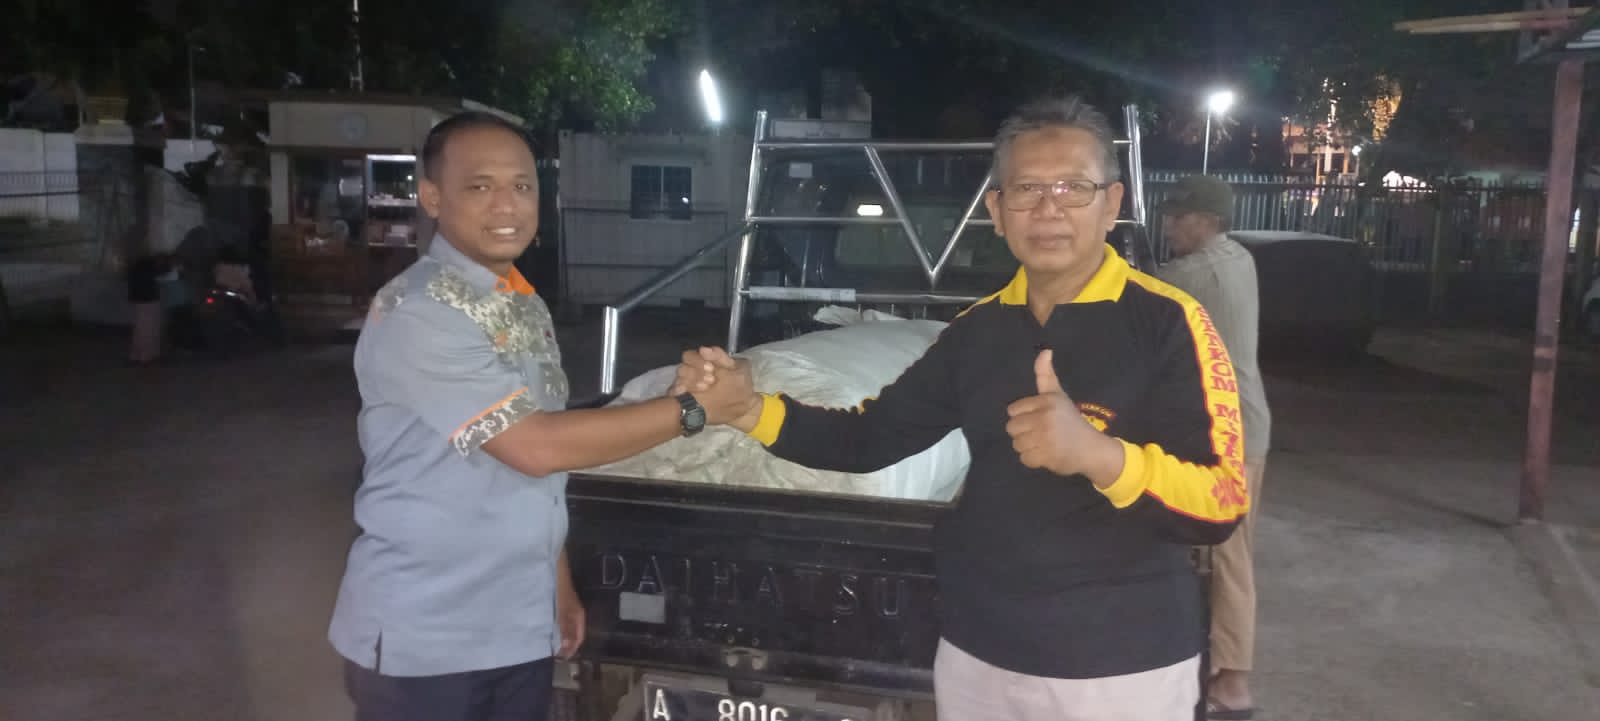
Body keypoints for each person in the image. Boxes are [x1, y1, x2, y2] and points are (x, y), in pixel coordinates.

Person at [675, 96, 1251, 721]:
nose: (1049, 208)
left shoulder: (1170, 323)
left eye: (1073, 187)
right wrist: (748, 409)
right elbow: (869, 438)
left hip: (1118, 664)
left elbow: (1220, 504)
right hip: (980, 653)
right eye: (1026, 189)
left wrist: (1101, 457)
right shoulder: (976, 333)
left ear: (1112, 204)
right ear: (997, 212)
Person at [328, 111, 756, 721]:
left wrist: (556, 589)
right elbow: (536, 446)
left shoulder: (519, 301)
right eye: (480, 186)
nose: (507, 205)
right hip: (428, 637)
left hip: (515, 625)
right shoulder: (419, 311)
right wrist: (692, 411)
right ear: (432, 197)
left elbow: (539, 475)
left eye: (522, 186)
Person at [1156, 175, 1271, 721]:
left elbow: (1130, 298)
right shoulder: (1238, 258)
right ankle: (1211, 665)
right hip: (1241, 424)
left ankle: (1233, 684)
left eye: (1178, 217)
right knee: (1220, 548)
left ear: (1208, 220)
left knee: (1228, 550)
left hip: (1230, 432)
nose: (1168, 226)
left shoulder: (1194, 274)